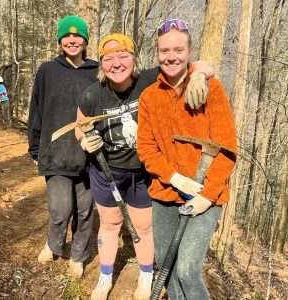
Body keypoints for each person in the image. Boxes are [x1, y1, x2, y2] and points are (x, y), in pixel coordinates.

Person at [75, 33, 214, 300]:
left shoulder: (149, 79)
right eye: (109, 58)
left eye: (123, 56)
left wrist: (198, 77)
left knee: (144, 226)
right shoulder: (93, 95)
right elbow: (79, 125)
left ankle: (146, 276)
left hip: (143, 170)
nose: (117, 63)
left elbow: (202, 66)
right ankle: (105, 279)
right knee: (110, 223)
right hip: (107, 171)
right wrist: (84, 141)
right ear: (102, 64)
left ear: (134, 59)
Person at [137, 19, 237, 300]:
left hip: (207, 197)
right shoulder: (149, 96)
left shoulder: (211, 90)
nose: (171, 57)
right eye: (165, 50)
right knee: (167, 269)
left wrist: (208, 194)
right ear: (157, 53)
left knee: (188, 270)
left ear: (190, 51)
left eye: (178, 50)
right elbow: (145, 147)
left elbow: (227, 148)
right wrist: (172, 176)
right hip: (165, 193)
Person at [27, 15, 99, 279]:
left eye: (77, 35)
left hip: (90, 155)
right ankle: (53, 243)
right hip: (55, 152)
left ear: (85, 40)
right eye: (67, 36)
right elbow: (37, 109)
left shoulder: (97, 72)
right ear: (60, 40)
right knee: (60, 209)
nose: (72, 40)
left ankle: (78, 255)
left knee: (84, 210)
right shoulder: (47, 70)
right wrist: (35, 147)